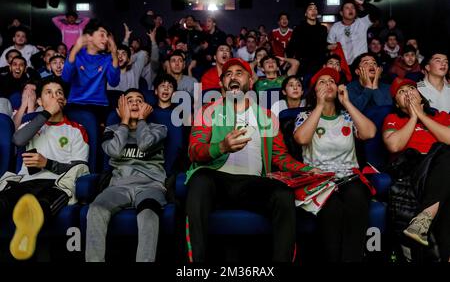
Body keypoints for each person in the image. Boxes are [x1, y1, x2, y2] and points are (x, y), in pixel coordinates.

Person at [185, 57, 319, 262]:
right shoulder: (207, 111)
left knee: (283, 194)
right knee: (199, 180)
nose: (233, 77)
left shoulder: (267, 117)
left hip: (253, 184)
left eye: (239, 73)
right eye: (228, 74)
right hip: (216, 180)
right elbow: (194, 151)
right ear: (222, 84)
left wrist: (307, 169)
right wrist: (222, 147)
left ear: (250, 80)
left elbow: (280, 157)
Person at [293, 67, 376, 262]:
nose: (328, 84)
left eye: (331, 81)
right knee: (332, 211)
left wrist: (347, 102)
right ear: (314, 91)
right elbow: (302, 139)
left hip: (349, 177)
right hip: (319, 180)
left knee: (356, 199)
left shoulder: (347, 116)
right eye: (322, 82)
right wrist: (320, 106)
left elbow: (369, 133)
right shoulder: (305, 116)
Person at [0, 78, 89, 260]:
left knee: (43, 203)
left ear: (65, 100)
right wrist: (47, 113)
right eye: (49, 92)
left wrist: (47, 164)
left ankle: (29, 229)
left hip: (55, 185)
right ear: (39, 101)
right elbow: (18, 140)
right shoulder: (31, 126)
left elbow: (79, 168)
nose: (55, 96)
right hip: (25, 182)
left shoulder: (77, 130)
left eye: (59, 93)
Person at [85, 89, 167, 262]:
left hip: (150, 185)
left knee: (148, 214)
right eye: (129, 100)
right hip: (118, 186)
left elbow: (145, 144)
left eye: (140, 100)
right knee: (95, 210)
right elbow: (114, 151)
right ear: (120, 108)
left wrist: (142, 120)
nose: (135, 103)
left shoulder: (159, 128)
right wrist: (123, 122)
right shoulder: (111, 129)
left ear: (147, 107)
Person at [382, 77, 450, 262]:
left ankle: (422, 224)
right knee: (444, 152)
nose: (408, 93)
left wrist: (422, 116)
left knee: (444, 152)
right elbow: (394, 146)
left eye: (411, 89)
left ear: (421, 97)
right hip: (414, 169)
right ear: (397, 103)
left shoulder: (441, 116)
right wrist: (413, 117)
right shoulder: (393, 119)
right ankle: (423, 220)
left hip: (441, 171)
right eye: (401, 92)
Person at [61, 19, 119, 123]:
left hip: (99, 105)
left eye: (107, 36)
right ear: (89, 36)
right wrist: (75, 49)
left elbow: (114, 82)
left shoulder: (106, 58)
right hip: (76, 103)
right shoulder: (76, 55)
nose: (106, 39)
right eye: (102, 35)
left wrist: (114, 53)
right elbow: (66, 78)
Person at [327, 0, 380, 65]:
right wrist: (329, 47)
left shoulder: (363, 22)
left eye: (353, 8)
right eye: (347, 8)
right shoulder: (335, 27)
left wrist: (362, 3)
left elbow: (377, 13)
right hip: (344, 66)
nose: (351, 10)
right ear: (341, 13)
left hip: (362, 65)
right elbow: (329, 45)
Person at [286, 2, 328, 75]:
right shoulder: (299, 29)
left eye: (315, 9)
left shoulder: (323, 29)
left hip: (320, 65)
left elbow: (324, 46)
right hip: (303, 66)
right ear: (305, 13)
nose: (313, 11)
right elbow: (291, 47)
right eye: (310, 9)